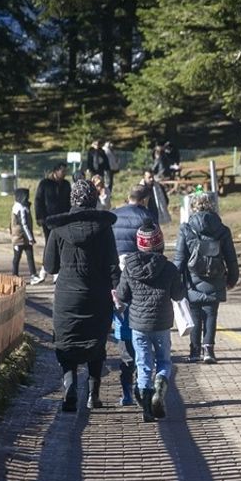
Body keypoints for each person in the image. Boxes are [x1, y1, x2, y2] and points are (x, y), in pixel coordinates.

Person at [43, 179, 120, 412]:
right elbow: (112, 265)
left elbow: (50, 266)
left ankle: (69, 387)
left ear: (72, 200)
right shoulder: (104, 229)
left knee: (67, 341)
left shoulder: (58, 230)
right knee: (95, 341)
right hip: (97, 293)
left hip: (67, 293)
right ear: (94, 199)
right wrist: (118, 292)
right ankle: (93, 395)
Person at [117, 222, 184, 422]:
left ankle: (146, 409)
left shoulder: (129, 267)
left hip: (138, 324)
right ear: (160, 242)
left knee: (143, 363)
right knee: (163, 360)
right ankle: (160, 384)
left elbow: (122, 294)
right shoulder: (169, 268)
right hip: (162, 323)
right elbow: (179, 295)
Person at [173, 191, 239, 364]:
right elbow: (231, 258)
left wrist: (174, 281)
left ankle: (195, 351)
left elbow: (180, 258)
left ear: (193, 207)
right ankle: (208, 350)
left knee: (194, 313)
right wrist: (232, 279)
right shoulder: (223, 230)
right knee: (211, 314)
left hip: (192, 280)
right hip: (215, 277)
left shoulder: (186, 229)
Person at [109, 185, 152, 407]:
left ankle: (125, 391)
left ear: (128, 197)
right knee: (141, 336)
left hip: (118, 282)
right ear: (144, 200)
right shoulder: (146, 217)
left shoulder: (114, 216)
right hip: (140, 282)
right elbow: (153, 251)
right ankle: (141, 385)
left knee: (124, 335)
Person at [33, 162, 72, 285]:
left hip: (62, 219)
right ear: (55, 171)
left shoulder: (66, 184)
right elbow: (38, 200)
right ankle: (44, 270)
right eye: (62, 171)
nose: (64, 174)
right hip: (48, 220)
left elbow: (69, 201)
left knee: (61, 245)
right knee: (49, 244)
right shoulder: (45, 184)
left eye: (66, 171)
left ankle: (57, 273)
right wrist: (39, 217)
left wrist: (69, 216)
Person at [9, 187, 37, 278]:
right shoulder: (20, 208)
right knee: (17, 257)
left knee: (29, 255)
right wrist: (30, 238)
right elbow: (24, 224)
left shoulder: (17, 206)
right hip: (20, 238)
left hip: (20, 237)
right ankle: (15, 275)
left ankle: (33, 274)